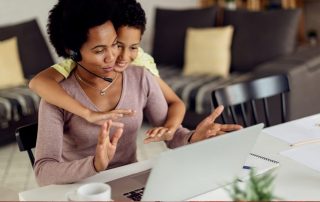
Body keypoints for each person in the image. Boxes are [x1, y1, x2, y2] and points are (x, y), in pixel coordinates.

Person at [34, 0, 242, 186]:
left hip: (129, 183)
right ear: (73, 52)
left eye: (114, 44)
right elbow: (43, 171)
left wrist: (193, 137)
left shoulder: (140, 78)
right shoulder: (57, 97)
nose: (112, 56)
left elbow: (172, 136)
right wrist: (95, 164)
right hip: (81, 189)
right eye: (99, 50)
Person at [29, 0, 185, 140]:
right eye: (117, 45)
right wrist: (87, 114)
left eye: (114, 44)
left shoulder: (139, 65)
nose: (118, 56)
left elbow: (175, 103)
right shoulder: (75, 63)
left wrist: (170, 129)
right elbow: (38, 82)